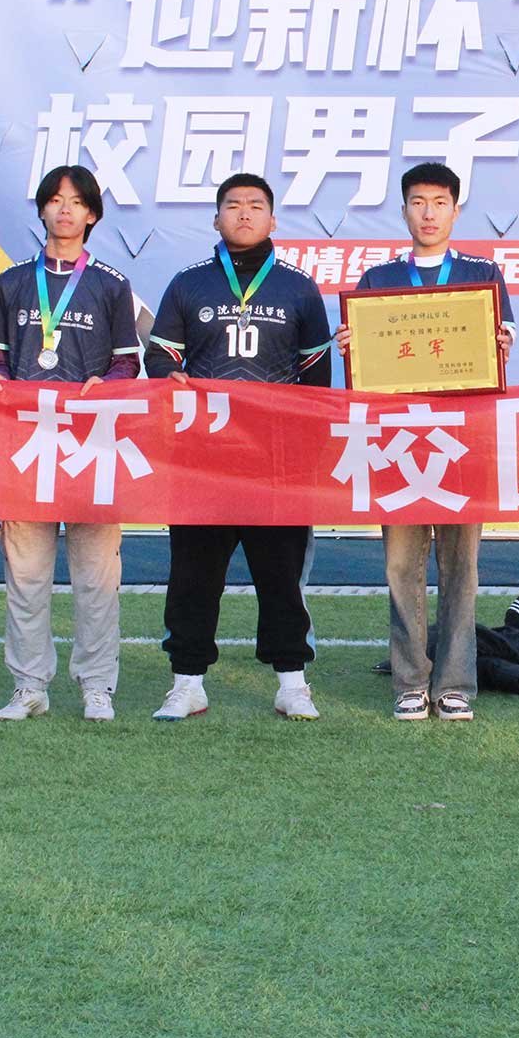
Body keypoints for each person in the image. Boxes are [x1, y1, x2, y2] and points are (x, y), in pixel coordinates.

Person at [145, 172, 334, 722]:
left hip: (275, 461)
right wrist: (168, 375)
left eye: (255, 205)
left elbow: (316, 378)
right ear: (216, 218)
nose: (244, 213)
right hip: (202, 460)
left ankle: (292, 683)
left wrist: (305, 451)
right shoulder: (189, 283)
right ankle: (187, 683)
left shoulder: (299, 287)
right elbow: (160, 356)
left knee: (281, 575)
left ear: (273, 219)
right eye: (233, 205)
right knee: (193, 576)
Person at [334, 162, 515, 723]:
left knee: (462, 569)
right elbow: (363, 372)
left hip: (463, 443)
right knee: (401, 567)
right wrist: (353, 346)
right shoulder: (378, 280)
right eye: (418, 202)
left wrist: (499, 341)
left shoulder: (483, 275)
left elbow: (499, 350)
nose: (428, 213)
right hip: (398, 443)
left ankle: (456, 682)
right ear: (404, 210)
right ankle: (410, 681)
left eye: (439, 202)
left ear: (456, 210)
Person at [0, 165, 141, 722]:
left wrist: (108, 384)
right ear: (42, 210)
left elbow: (128, 363)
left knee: (97, 579)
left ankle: (97, 686)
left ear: (92, 213)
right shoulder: (11, 282)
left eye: (76, 201)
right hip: (27, 448)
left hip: (92, 448)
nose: (65, 209)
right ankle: (29, 685)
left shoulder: (111, 284)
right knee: (26, 577)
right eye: (55, 199)